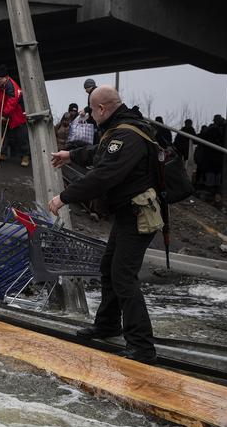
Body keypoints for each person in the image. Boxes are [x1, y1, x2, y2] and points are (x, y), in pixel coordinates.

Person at [47, 85, 159, 363]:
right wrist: (70, 155)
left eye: (91, 110)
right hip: (127, 214)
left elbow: (104, 175)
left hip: (139, 215)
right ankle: (108, 325)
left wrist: (65, 197)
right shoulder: (122, 127)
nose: (90, 116)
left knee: (123, 276)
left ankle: (142, 347)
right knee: (109, 268)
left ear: (101, 109)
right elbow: (102, 152)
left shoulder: (126, 134)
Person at [0, 64, 29, 166]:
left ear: (6, 78)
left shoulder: (12, 87)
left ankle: (25, 156)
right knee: (0, 134)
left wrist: (5, 114)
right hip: (3, 113)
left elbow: (12, 102)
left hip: (16, 115)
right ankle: (2, 153)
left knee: (21, 137)